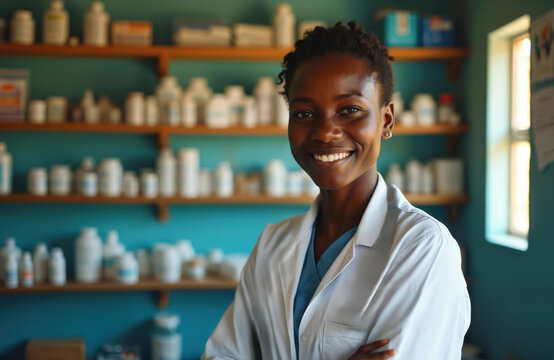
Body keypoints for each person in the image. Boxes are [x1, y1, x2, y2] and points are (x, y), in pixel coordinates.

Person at [202, 21, 470, 360]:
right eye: (305, 113)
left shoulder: (422, 248)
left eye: (350, 110)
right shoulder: (274, 244)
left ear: (386, 119)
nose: (325, 131)